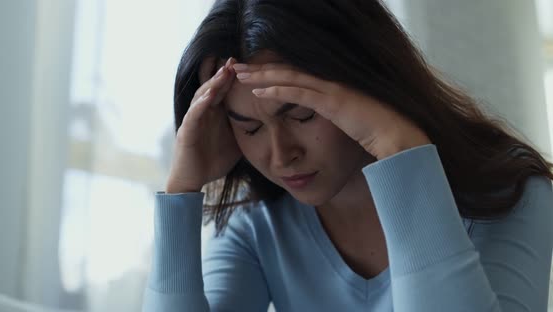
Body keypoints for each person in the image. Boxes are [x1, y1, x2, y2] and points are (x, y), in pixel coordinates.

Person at [142, 0, 553, 311]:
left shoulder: (511, 192)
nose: (282, 155)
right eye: (249, 128)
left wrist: (399, 148)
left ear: (366, 80)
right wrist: (181, 191)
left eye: (301, 113)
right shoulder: (258, 227)